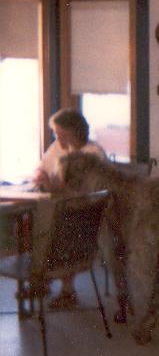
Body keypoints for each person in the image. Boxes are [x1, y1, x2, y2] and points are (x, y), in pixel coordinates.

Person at [32, 108, 107, 309]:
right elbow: (43, 166)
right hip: (58, 205)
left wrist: (53, 186)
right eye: (56, 134)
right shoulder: (58, 147)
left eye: (62, 135)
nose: (58, 139)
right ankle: (41, 279)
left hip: (85, 213)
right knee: (36, 221)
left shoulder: (92, 153)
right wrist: (40, 174)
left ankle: (66, 290)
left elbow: (82, 190)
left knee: (60, 226)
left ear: (76, 133)